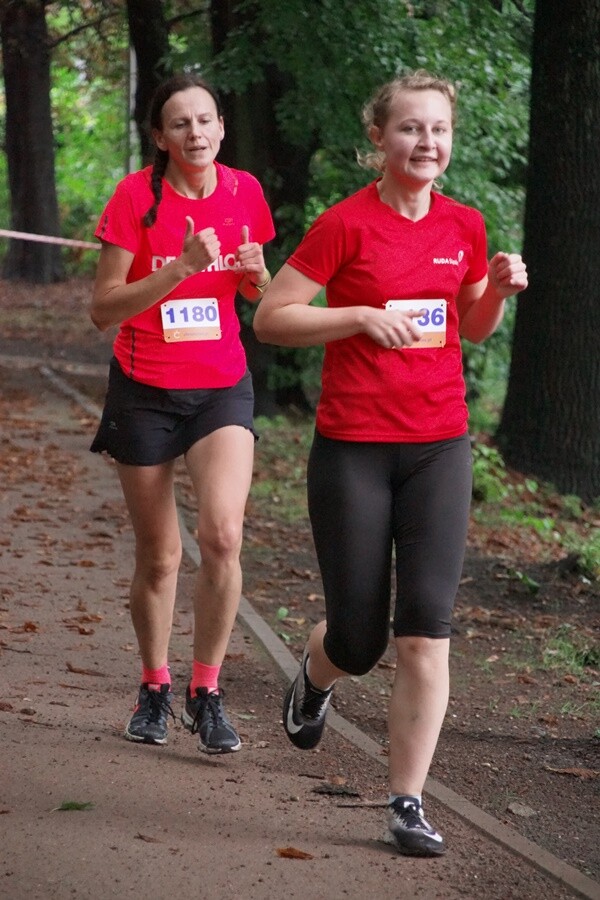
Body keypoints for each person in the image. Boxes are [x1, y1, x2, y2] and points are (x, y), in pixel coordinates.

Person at [253, 70, 527, 854]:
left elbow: (469, 328)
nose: (426, 143)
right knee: (361, 639)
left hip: (440, 445)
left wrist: (498, 291)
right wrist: (358, 317)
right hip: (354, 449)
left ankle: (406, 802)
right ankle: (317, 671)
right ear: (378, 137)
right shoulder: (344, 225)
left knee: (424, 634)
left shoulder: (465, 226)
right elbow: (273, 317)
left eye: (438, 129)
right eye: (410, 128)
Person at [90, 73, 275, 753]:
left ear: (222, 126)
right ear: (160, 137)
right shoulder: (135, 199)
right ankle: (154, 686)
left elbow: (262, 295)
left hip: (222, 385)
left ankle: (207, 690)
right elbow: (103, 307)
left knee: (223, 536)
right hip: (144, 389)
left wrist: (256, 275)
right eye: (180, 123)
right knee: (161, 556)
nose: (195, 133)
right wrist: (178, 268)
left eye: (206, 120)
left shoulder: (245, 192)